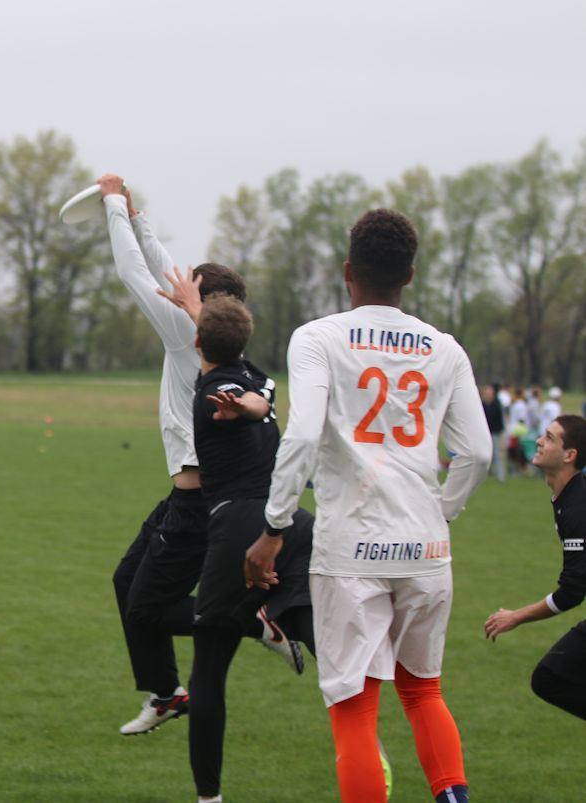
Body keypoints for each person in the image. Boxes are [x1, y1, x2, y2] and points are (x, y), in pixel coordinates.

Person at [245, 209, 492, 803]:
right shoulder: (446, 348)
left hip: (351, 548)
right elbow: (478, 453)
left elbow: (302, 437)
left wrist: (274, 527)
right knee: (424, 693)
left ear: (347, 271)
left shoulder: (318, 338)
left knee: (355, 709)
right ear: (409, 275)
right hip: (425, 547)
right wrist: (443, 511)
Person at [98, 174, 301, 738]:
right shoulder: (219, 339)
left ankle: (252, 620)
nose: (175, 290)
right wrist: (138, 217)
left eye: (188, 290)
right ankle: (166, 695)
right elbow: (168, 271)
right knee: (126, 581)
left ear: (198, 305)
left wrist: (112, 204)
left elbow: (134, 274)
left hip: (198, 504)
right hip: (188, 496)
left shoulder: (184, 333)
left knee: (146, 609)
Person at [182, 293, 315, 803]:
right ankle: (365, 738)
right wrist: (196, 309)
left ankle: (209, 798)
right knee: (321, 640)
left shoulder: (217, 389)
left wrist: (239, 407)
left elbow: (243, 399)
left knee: (209, 665)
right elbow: (257, 396)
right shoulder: (257, 374)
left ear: (197, 342)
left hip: (242, 528)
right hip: (292, 523)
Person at [484, 414, 586, 720]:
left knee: (549, 678)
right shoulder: (569, 497)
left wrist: (516, 616)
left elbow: (572, 592)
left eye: (550, 438)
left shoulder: (577, 507)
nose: (539, 441)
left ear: (569, 455)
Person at [482, 382, 506, 482]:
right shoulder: (483, 405)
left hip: (494, 433)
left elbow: (500, 419)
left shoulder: (497, 404)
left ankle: (501, 476)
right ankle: (484, 474)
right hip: (485, 433)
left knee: (496, 454)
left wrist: (500, 431)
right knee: (485, 455)